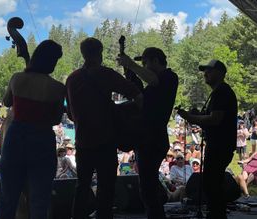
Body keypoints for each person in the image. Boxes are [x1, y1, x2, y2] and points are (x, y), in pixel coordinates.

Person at [66, 37, 143, 219]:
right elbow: (137, 95)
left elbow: (70, 114)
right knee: (106, 188)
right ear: (100, 53)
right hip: (106, 141)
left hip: (83, 142)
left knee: (82, 187)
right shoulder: (106, 74)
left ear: (83, 53)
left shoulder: (72, 78)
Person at [0, 40, 65, 219]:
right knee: (39, 200)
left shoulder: (17, 78)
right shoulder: (58, 88)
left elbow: (7, 102)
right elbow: (56, 119)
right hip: (42, 139)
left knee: (7, 198)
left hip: (16, 138)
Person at [118, 47, 178, 219]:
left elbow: (152, 80)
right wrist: (129, 71)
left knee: (147, 186)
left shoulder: (168, 77)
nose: (143, 66)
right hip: (147, 138)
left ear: (155, 61)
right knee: (147, 183)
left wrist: (130, 63)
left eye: (145, 62)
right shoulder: (155, 86)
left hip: (153, 139)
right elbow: (140, 96)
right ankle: (159, 203)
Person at [178, 59, 237, 219]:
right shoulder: (218, 92)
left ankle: (216, 215)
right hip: (218, 144)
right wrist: (197, 115)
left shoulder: (221, 92)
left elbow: (215, 119)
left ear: (220, 73)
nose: (205, 74)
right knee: (212, 183)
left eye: (209, 71)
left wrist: (191, 117)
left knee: (212, 184)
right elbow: (212, 117)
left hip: (219, 145)